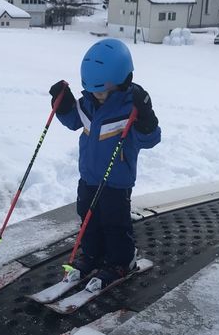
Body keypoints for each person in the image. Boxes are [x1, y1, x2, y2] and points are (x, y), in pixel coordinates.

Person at [49, 38, 161, 291]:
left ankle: (122, 260)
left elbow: (151, 139)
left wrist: (146, 119)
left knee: (114, 222)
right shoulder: (89, 102)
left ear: (124, 81)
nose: (97, 96)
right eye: (91, 90)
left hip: (116, 182)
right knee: (87, 218)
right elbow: (72, 121)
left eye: (102, 90)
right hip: (88, 176)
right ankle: (92, 255)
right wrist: (63, 104)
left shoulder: (130, 107)